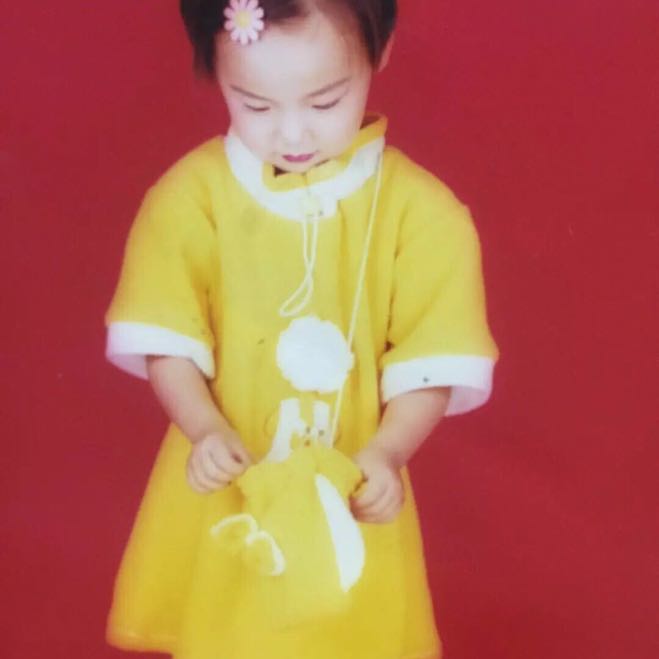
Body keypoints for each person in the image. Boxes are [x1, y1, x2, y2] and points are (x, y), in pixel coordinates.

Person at [104, 0, 499, 657]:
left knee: (348, 629)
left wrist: (387, 452)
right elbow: (167, 342)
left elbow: (430, 360)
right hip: (232, 478)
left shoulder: (422, 213)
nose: (292, 132)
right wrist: (203, 429)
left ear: (380, 52)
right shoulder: (191, 198)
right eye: (254, 104)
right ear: (217, 73)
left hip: (348, 487)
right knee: (228, 628)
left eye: (325, 101)